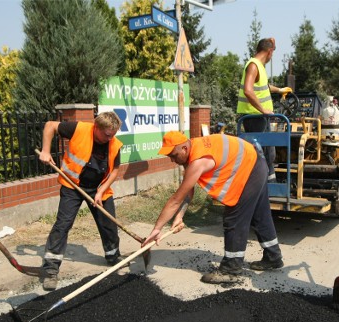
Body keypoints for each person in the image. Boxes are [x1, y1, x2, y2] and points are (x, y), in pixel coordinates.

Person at [142, 131, 283, 284]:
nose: (172, 160)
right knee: (260, 215)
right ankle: (273, 257)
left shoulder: (198, 161)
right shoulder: (193, 147)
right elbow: (188, 191)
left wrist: (157, 229)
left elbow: (176, 200)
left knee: (234, 218)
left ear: (184, 148)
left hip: (249, 169)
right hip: (256, 162)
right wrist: (179, 216)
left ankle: (230, 269)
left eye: (174, 155)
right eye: (169, 156)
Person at [38, 111, 123, 291]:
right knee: (63, 224)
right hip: (73, 186)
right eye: (107, 135)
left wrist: (101, 191)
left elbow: (115, 170)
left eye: (113, 135)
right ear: (96, 127)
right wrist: (45, 151)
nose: (110, 138)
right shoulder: (79, 129)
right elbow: (50, 126)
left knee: (108, 223)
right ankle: (51, 269)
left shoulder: (114, 144)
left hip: (99, 187)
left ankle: (113, 256)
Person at [237, 37, 292, 182]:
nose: (271, 57)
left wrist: (279, 90)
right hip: (255, 117)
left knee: (268, 154)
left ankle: (269, 184)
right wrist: (263, 110)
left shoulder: (259, 66)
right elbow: (249, 91)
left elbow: (264, 87)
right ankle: (264, 185)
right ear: (269, 51)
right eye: (272, 53)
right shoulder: (253, 65)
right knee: (263, 154)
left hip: (260, 117)